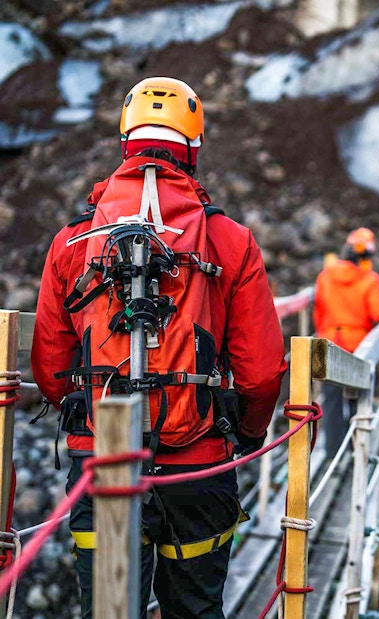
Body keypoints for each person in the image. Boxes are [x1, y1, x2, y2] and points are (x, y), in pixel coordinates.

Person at [31, 77, 287, 619]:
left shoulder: (72, 241)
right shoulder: (231, 240)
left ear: (125, 141)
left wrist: (83, 414)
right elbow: (262, 372)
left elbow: (51, 369)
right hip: (199, 466)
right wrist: (245, 432)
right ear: (193, 147)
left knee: (110, 609)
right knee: (194, 609)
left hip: (102, 463)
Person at [312, 227, 379, 457]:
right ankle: (357, 449)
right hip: (358, 346)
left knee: (332, 400)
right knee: (359, 397)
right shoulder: (370, 280)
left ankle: (333, 454)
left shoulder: (325, 275)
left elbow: (319, 310)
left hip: (327, 343)